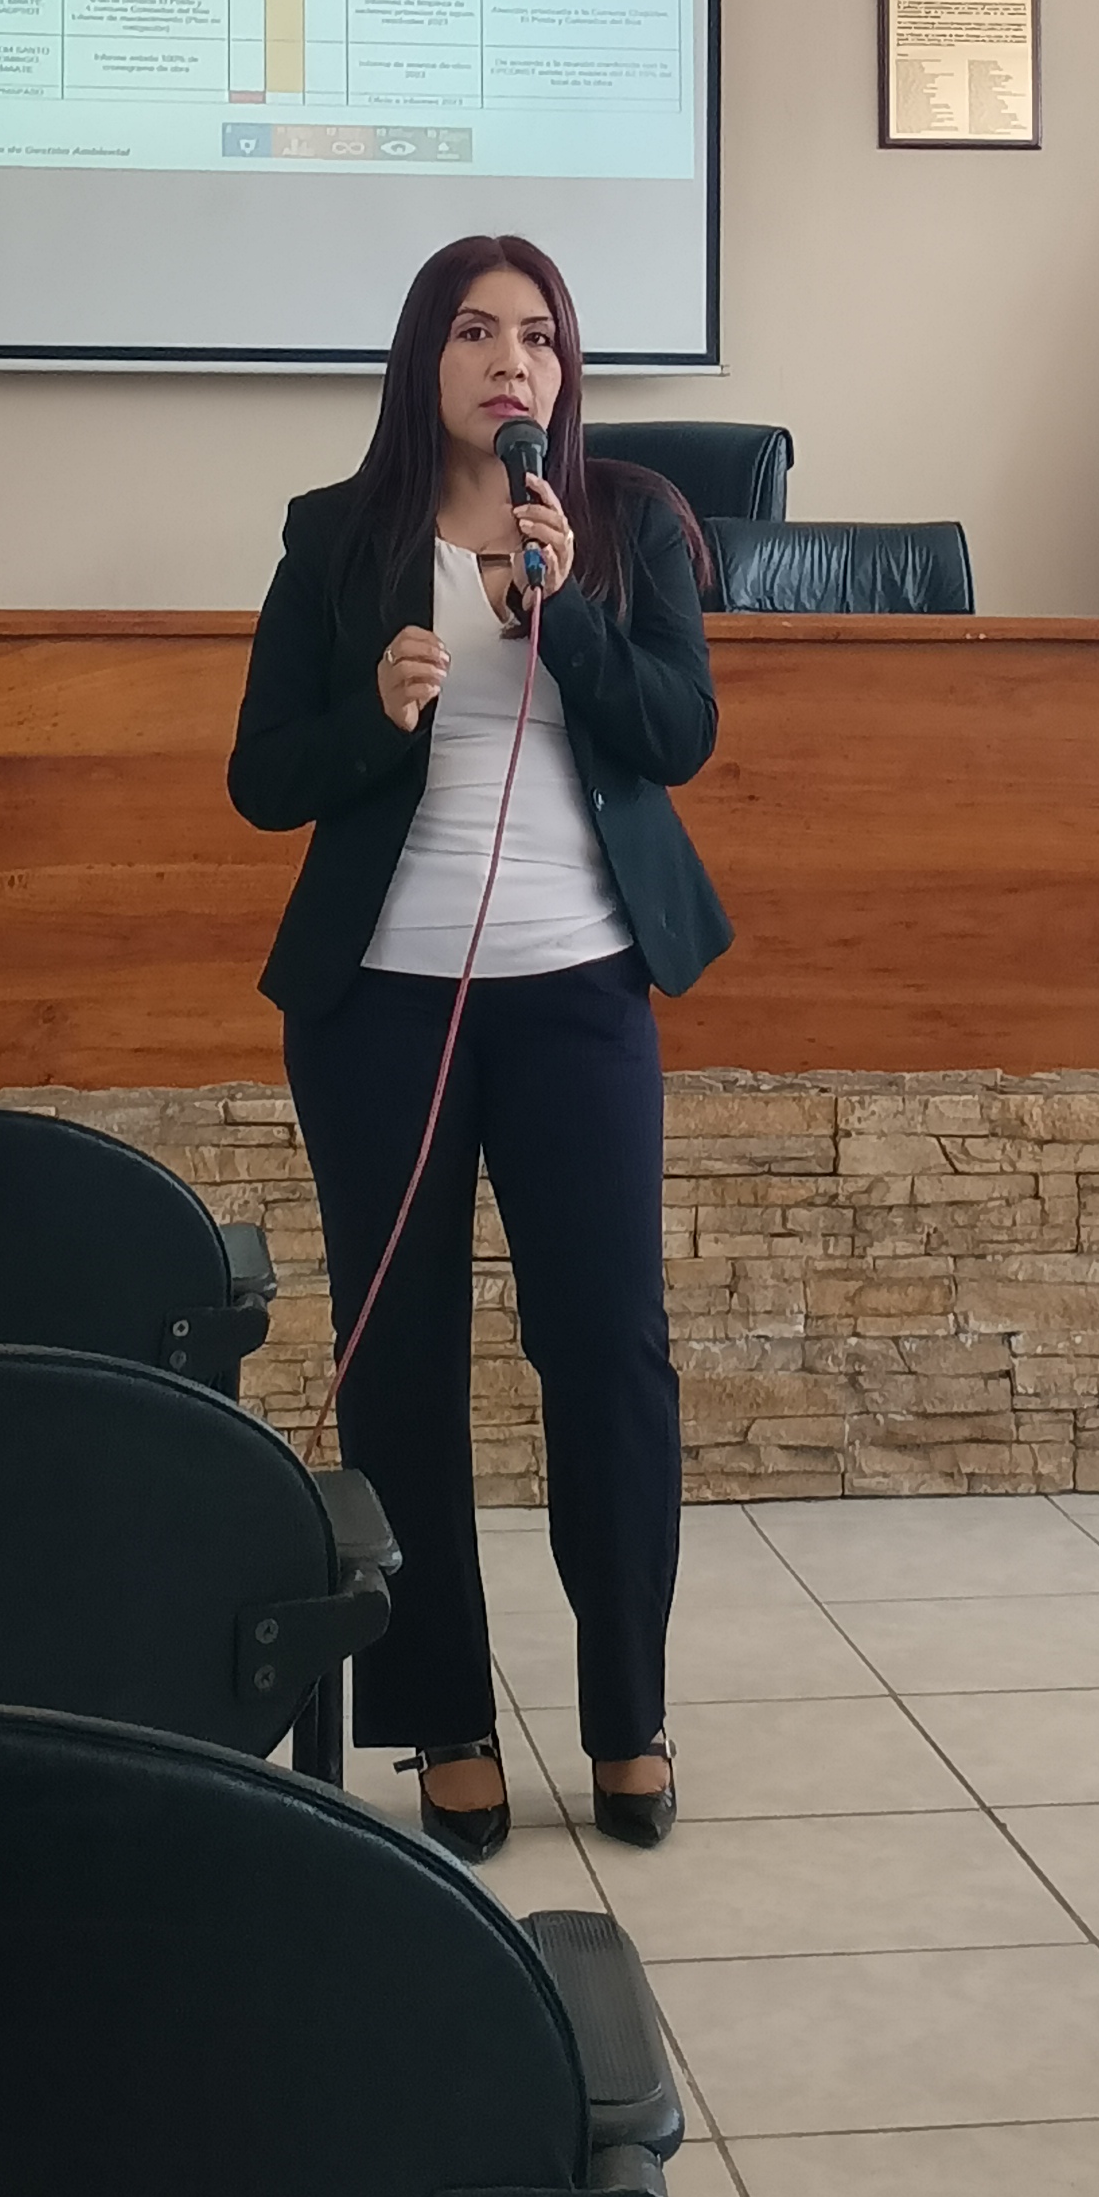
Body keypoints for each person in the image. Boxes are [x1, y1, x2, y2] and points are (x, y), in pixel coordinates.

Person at [228, 231, 731, 1864]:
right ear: (422, 361)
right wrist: (373, 712)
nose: (509, 359)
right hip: (383, 1005)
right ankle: (444, 1718)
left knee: (610, 1353)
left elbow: (679, 734)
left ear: (565, 372)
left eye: (538, 335)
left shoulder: (629, 523)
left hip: (578, 993)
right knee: (401, 1361)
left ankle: (627, 1709)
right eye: (472, 331)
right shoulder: (336, 537)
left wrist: (564, 614)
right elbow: (261, 775)